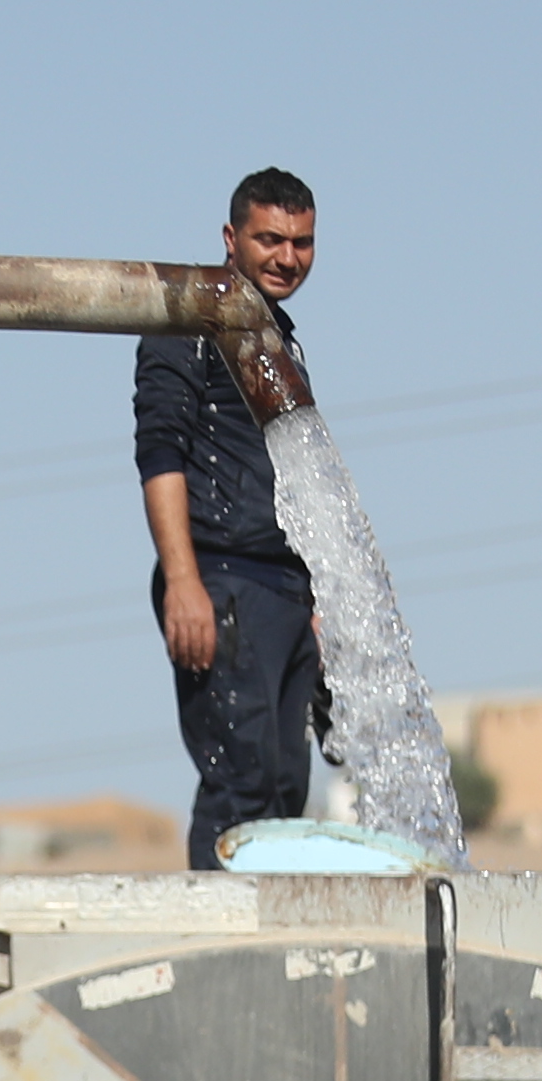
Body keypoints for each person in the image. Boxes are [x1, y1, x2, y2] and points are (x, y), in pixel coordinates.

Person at [135, 168, 330, 865]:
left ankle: (275, 951)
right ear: (231, 238)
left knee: (285, 789)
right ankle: (218, 944)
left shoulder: (279, 341)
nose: (286, 257)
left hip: (281, 591)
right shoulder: (187, 323)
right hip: (220, 575)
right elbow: (159, 454)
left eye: (301, 243)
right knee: (239, 781)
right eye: (269, 239)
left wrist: (314, 599)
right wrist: (184, 580)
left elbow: (296, 483)